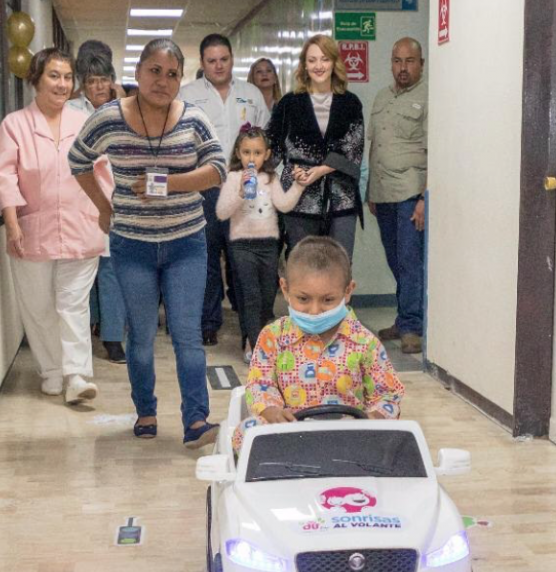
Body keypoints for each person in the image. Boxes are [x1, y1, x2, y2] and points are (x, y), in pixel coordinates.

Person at [70, 38, 227, 449]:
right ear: (138, 73)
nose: (163, 80)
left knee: (186, 334)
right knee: (138, 336)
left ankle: (196, 421)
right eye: (154, 71)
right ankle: (146, 411)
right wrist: (104, 208)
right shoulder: (108, 118)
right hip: (132, 245)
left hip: (186, 243)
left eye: (172, 73)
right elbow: (78, 161)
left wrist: (165, 183)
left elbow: (217, 169)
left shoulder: (193, 118)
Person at [0, 47, 112, 405]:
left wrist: (106, 212)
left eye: (66, 77)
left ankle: (76, 374)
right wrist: (12, 224)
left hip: (81, 225)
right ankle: (51, 371)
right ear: (36, 79)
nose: (62, 84)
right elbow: (5, 176)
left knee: (73, 303)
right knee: (38, 305)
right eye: (54, 76)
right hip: (33, 228)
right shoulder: (15, 125)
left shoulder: (84, 125)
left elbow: (102, 172)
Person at [231, 236, 405, 451]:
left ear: (348, 291)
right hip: (290, 437)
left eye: (328, 300)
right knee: (245, 431)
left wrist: (372, 417)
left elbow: (387, 394)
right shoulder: (273, 337)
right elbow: (260, 384)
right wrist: (273, 412)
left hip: (351, 441)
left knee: (398, 443)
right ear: (285, 289)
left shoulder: (365, 343)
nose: (315, 311)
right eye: (303, 299)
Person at [178, 34, 270, 347]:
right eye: (212, 61)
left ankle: (250, 328)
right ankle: (208, 323)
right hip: (203, 190)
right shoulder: (187, 95)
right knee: (206, 259)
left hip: (244, 190)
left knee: (241, 260)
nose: (219, 66)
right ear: (202, 64)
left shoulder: (251, 94)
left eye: (224, 59)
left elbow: (264, 139)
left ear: (232, 59)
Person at [268, 35, 365, 259]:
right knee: (303, 267)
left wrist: (320, 171)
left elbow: (353, 148)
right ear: (304, 65)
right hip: (298, 199)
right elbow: (272, 147)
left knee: (339, 267)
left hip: (341, 201)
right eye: (312, 60)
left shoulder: (350, 103)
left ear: (334, 63)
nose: (318, 66)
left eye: (324, 59)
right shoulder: (289, 103)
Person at [215, 126, 307, 362]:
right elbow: (221, 213)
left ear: (266, 155)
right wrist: (240, 193)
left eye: (257, 153)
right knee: (251, 295)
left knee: (267, 296)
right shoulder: (233, 177)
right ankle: (256, 347)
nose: (251, 158)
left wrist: (299, 186)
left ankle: (254, 337)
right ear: (238, 153)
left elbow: (284, 205)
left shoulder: (271, 178)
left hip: (268, 245)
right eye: (246, 152)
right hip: (242, 246)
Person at [368, 38, 429, 355]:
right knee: (394, 259)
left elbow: (435, 151)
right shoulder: (381, 97)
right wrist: (370, 191)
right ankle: (404, 316)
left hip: (409, 193)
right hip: (383, 193)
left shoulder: (429, 96)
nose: (402, 67)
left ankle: (412, 326)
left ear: (421, 63)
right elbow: (374, 146)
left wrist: (424, 198)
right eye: (396, 60)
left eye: (409, 61)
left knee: (409, 262)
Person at [68, 50, 128, 363]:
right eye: (92, 81)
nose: (98, 87)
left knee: (111, 269)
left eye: (104, 80)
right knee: (83, 269)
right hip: (81, 195)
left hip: (116, 196)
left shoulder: (124, 109)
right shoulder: (71, 110)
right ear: (83, 84)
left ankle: (113, 337)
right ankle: (90, 324)